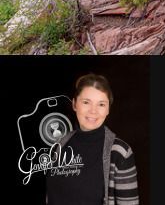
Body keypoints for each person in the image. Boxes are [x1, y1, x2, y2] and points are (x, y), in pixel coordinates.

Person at [46, 74, 139, 205]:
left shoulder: (120, 152)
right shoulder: (61, 144)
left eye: (101, 104)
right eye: (86, 102)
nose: (93, 111)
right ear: (74, 104)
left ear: (108, 109)